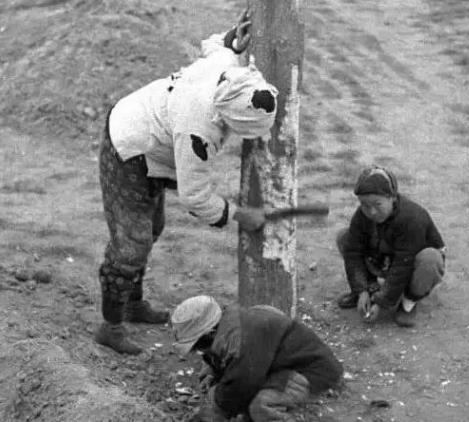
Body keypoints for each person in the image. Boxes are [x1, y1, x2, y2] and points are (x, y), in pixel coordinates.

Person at [94, 10, 279, 354]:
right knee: (132, 241)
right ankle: (111, 326)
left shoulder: (233, 73)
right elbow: (195, 198)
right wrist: (239, 215)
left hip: (154, 139)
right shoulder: (199, 131)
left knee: (153, 227)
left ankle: (133, 304)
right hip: (129, 145)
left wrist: (232, 39)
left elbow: (215, 47)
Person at [170, 295, 344, 422]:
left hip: (313, 372)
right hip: (278, 365)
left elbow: (238, 389)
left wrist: (209, 412)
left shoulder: (241, 341)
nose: (196, 352)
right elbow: (225, 359)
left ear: (210, 333)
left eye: (197, 346)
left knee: (260, 407)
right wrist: (212, 368)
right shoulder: (229, 323)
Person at [336, 165, 446, 327]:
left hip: (411, 265)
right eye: (365, 205)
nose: (371, 211)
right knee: (345, 238)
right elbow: (353, 253)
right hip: (387, 259)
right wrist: (361, 290)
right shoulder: (361, 217)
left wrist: (381, 302)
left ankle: (408, 303)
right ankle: (369, 290)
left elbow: (403, 264)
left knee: (430, 259)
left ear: (392, 197)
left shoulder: (412, 218)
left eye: (377, 204)